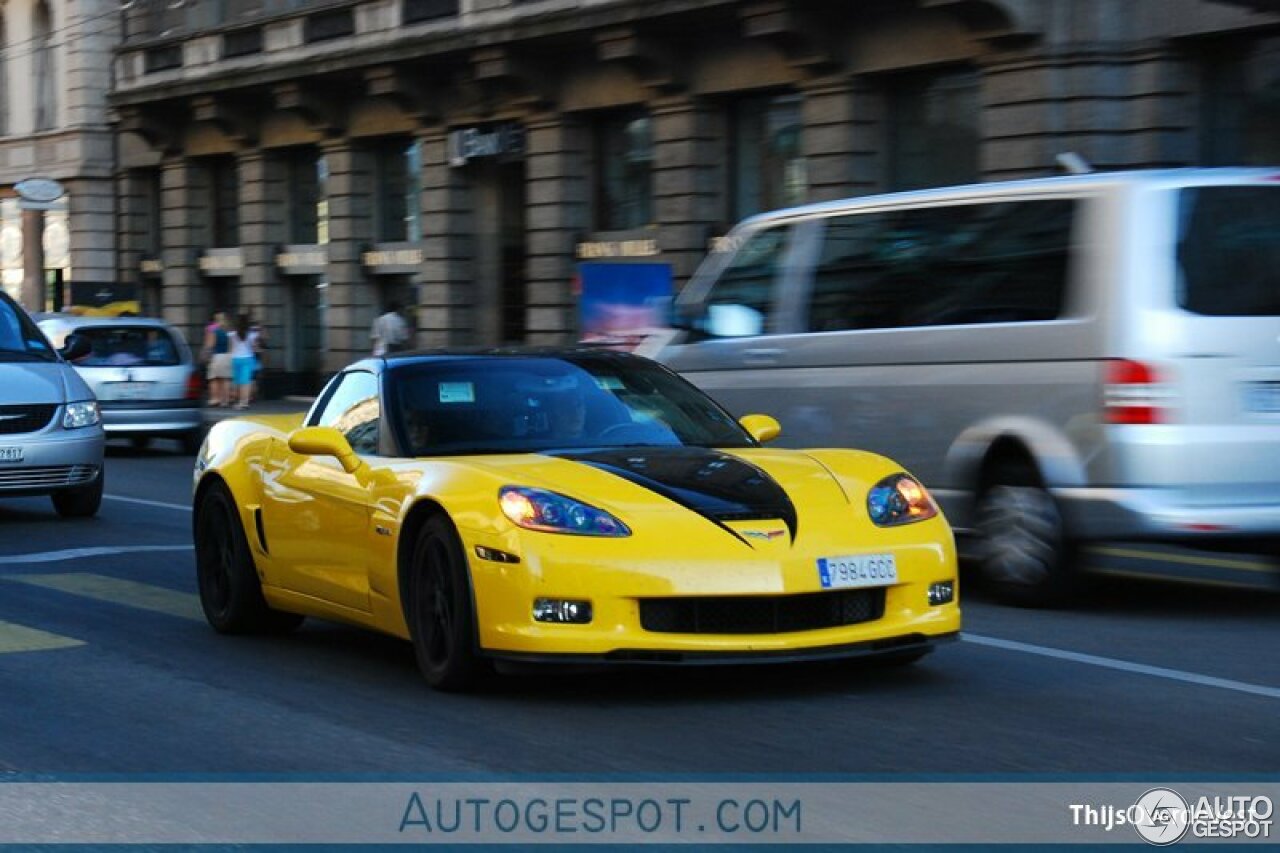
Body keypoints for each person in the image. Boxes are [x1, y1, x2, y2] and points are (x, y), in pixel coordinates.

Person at [228, 313, 257, 410]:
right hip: (248, 359)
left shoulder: (232, 334)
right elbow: (253, 348)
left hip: (235, 359)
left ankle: (237, 401)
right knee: (246, 382)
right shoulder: (251, 334)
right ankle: (244, 402)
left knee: (237, 382)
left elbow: (231, 348)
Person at [202, 312, 231, 407]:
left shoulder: (213, 329)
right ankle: (225, 401)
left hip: (216, 356)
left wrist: (205, 353)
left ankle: (215, 399)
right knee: (225, 379)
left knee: (214, 379)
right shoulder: (227, 329)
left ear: (215, 319)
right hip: (226, 356)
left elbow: (210, 345)